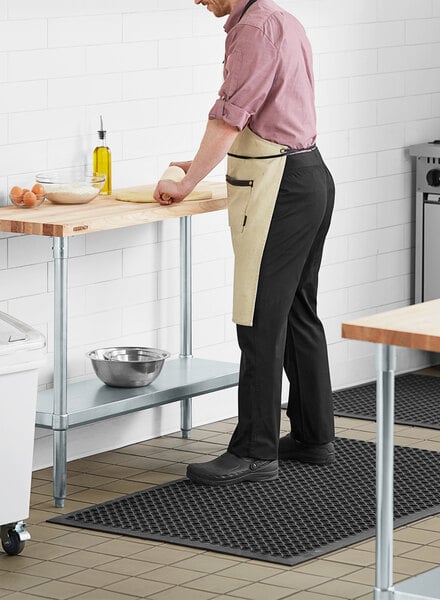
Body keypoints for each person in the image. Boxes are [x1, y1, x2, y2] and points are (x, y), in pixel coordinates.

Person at [154, 0, 336, 485]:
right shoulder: (281, 18)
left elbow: (230, 119)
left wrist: (188, 180)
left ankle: (255, 452)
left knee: (257, 317)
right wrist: (196, 165)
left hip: (279, 186)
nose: (196, 0)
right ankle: (314, 437)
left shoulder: (255, 28)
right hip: (309, 174)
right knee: (298, 310)